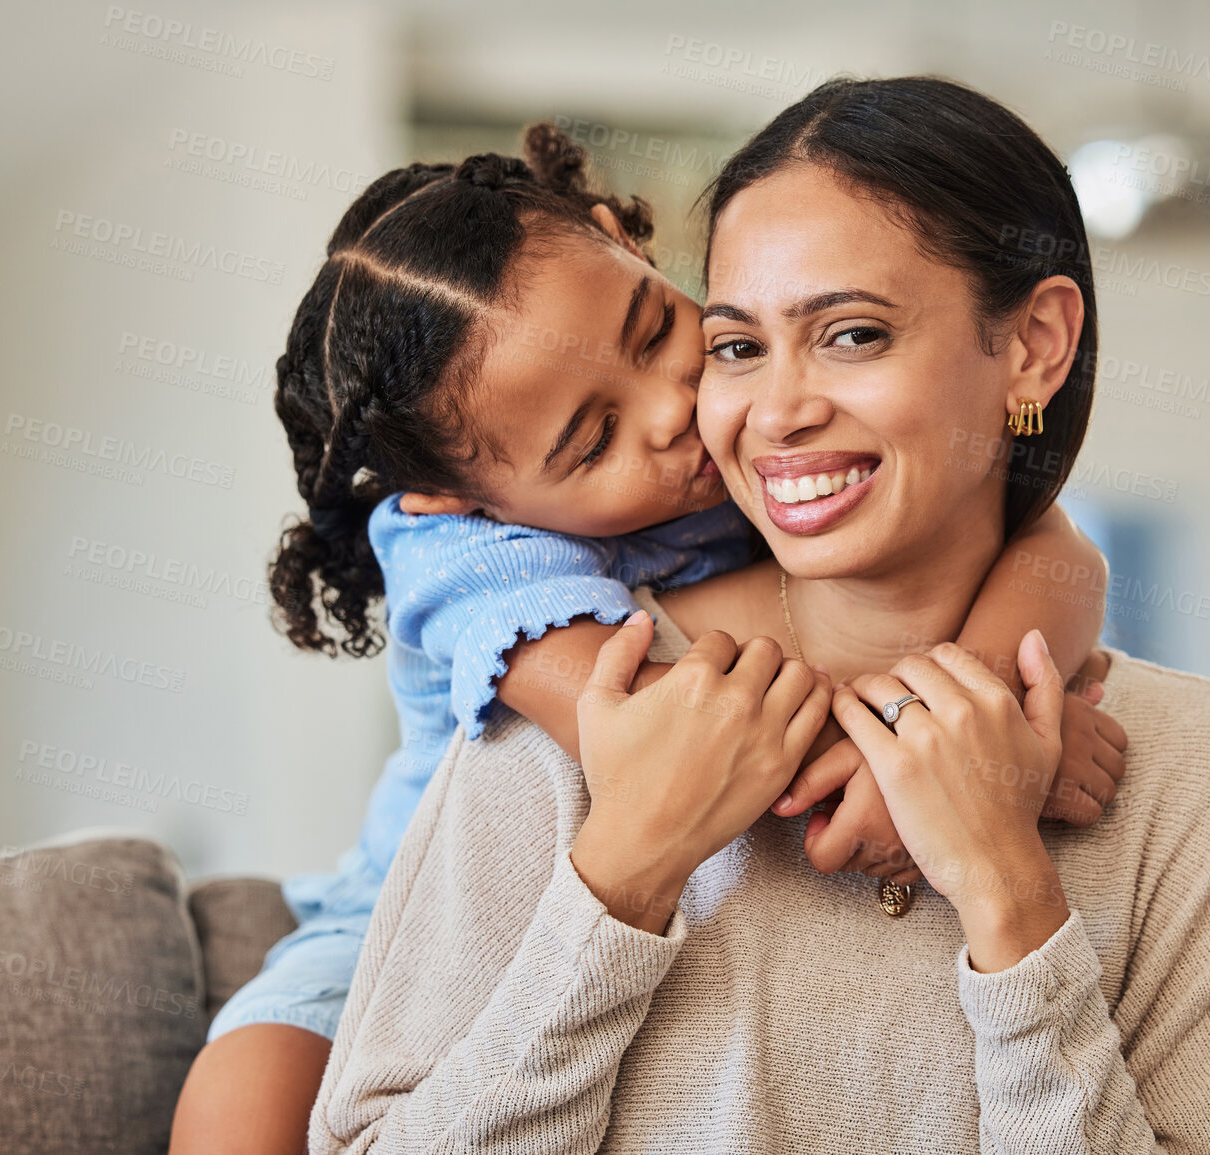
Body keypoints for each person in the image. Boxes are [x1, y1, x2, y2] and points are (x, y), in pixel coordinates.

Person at [308, 76, 1210, 1153]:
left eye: (854, 335)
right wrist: (625, 878)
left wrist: (1011, 899)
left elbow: (1059, 552)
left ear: (1035, 346)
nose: (775, 413)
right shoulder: (579, 708)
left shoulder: (1198, 775)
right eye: (738, 347)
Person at [170, 121, 1129, 1154]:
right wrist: (943, 761)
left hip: (653, 932)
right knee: (244, 1098)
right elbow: (675, 743)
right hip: (411, 927)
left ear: (622, 238)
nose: (675, 411)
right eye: (593, 440)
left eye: (653, 328)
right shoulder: (457, 555)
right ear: (460, 496)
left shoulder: (761, 444)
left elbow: (1052, 545)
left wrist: (980, 692)